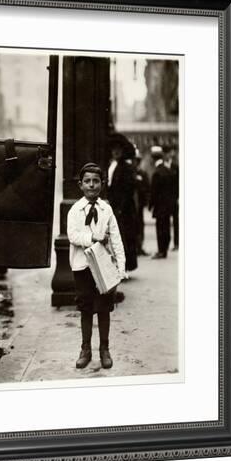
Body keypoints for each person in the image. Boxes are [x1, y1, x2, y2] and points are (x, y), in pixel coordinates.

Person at [67, 163, 126, 369]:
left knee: (103, 308)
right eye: (87, 181)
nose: (91, 185)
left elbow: (116, 238)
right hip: (82, 266)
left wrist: (121, 267)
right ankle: (85, 348)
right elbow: (73, 236)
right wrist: (93, 237)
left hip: (102, 266)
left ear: (102, 184)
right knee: (85, 308)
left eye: (96, 181)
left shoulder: (106, 209)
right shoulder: (75, 210)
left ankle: (105, 348)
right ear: (80, 185)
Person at [106, 134, 138, 273]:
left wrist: (120, 207)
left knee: (123, 238)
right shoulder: (110, 165)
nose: (116, 151)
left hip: (124, 208)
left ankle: (123, 268)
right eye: (114, 149)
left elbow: (128, 190)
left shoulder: (126, 167)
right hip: (114, 206)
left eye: (119, 149)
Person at [149, 145, 175, 258]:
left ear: (153, 159)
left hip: (160, 206)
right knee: (166, 227)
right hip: (168, 204)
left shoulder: (157, 173)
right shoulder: (168, 171)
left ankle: (161, 251)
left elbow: (154, 192)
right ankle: (165, 250)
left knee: (160, 228)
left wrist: (151, 205)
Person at [133, 149, 150, 256]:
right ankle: (135, 247)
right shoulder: (130, 172)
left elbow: (147, 188)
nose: (136, 163)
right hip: (132, 205)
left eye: (138, 161)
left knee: (140, 225)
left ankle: (140, 246)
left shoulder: (142, 174)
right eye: (135, 161)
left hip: (139, 205)